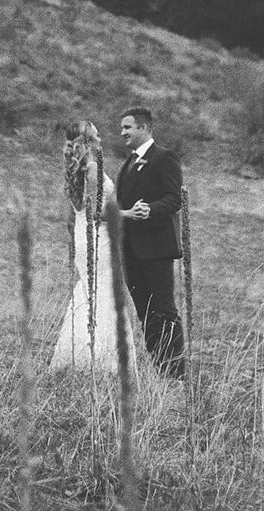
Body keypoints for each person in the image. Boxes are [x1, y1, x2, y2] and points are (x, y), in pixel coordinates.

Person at [49, 120, 134, 374]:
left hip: (82, 236)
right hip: (98, 238)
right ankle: (104, 363)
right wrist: (130, 213)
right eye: (96, 136)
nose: (101, 140)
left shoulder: (75, 171)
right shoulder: (93, 168)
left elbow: (76, 214)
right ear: (86, 141)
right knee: (106, 293)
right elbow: (99, 213)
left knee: (88, 293)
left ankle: (77, 358)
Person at [117, 105, 185, 380]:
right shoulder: (127, 164)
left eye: (127, 127)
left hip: (157, 248)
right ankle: (160, 367)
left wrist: (151, 209)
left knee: (165, 310)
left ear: (144, 128)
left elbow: (174, 197)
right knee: (145, 313)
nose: (122, 132)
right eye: (122, 128)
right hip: (130, 251)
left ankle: (178, 371)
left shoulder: (164, 157)